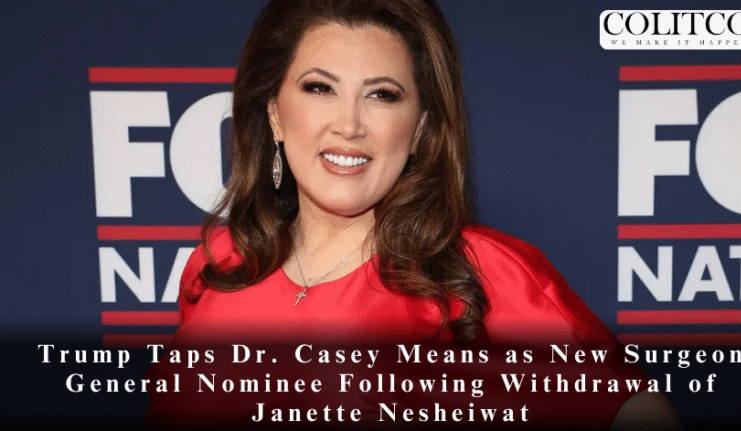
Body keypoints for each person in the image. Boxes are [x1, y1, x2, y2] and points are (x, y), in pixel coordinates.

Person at [146, 0, 683, 429]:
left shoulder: (481, 274)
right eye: (319, 88)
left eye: (382, 95)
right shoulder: (221, 264)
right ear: (274, 115)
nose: (349, 124)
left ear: (420, 129)